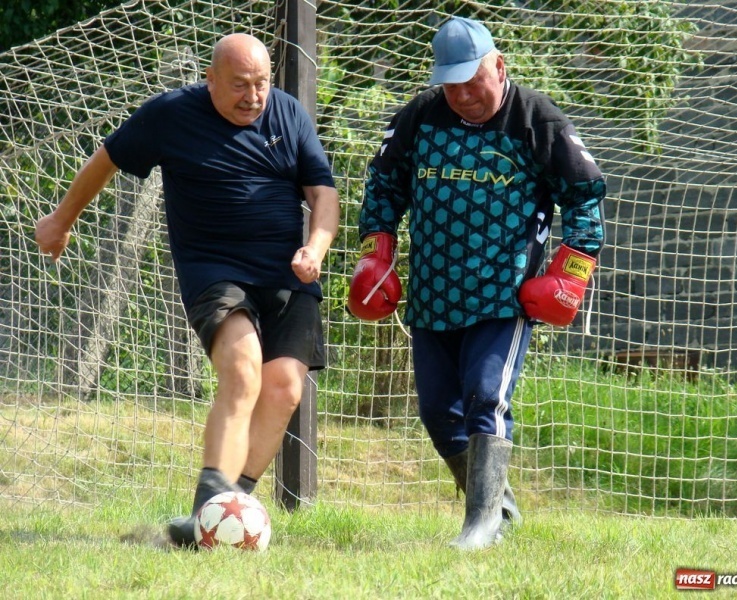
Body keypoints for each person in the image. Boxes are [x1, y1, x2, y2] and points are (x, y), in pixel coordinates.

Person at [35, 33, 340, 548]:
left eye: (262, 84)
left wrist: (315, 248)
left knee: (285, 386)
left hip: (289, 273)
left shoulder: (288, 114)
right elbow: (106, 159)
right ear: (211, 80)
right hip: (214, 270)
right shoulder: (171, 115)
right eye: (240, 85)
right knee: (242, 369)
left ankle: (227, 509)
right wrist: (62, 219)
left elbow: (323, 192)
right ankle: (209, 515)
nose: (253, 96)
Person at [348, 17, 605, 550]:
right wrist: (377, 253)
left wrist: (569, 274)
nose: (463, 94)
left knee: (486, 398)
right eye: (452, 84)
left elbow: (585, 198)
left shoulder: (537, 120)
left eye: (473, 80)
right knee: (438, 413)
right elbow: (383, 186)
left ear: (499, 66)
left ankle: (481, 525)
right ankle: (500, 511)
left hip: (502, 296)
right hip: (431, 294)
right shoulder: (419, 116)